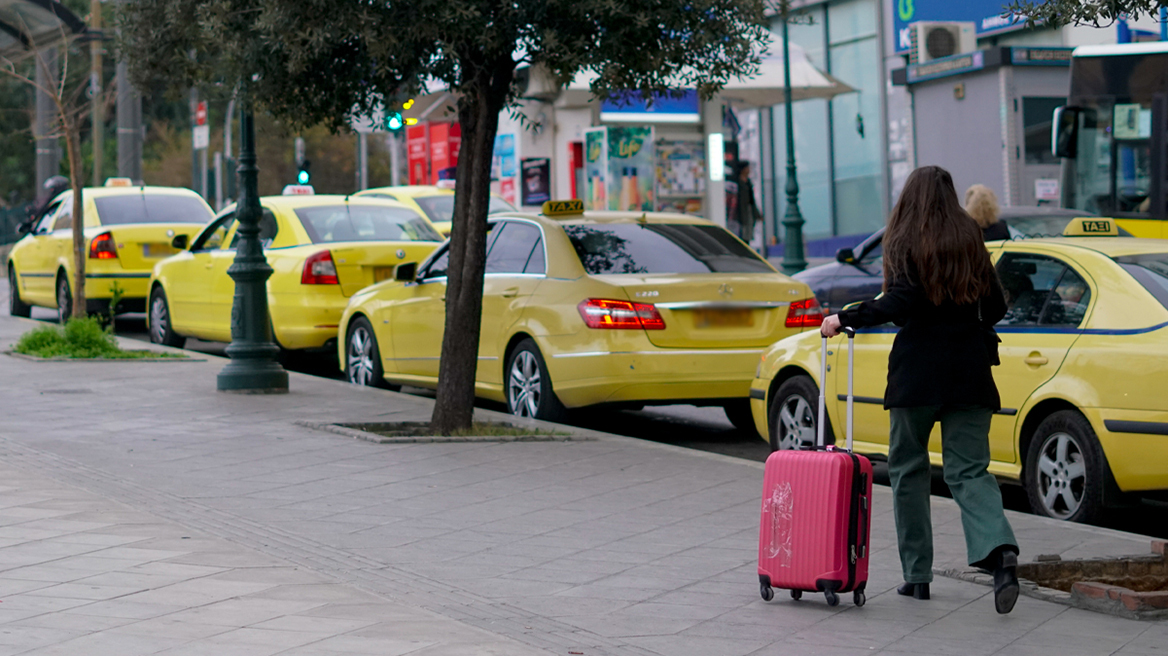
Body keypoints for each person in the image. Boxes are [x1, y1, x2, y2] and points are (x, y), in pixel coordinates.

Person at [820, 165, 1020, 614]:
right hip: (971, 373)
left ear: (909, 197)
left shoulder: (904, 236)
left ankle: (917, 577)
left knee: (908, 469)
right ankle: (1001, 552)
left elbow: (900, 301)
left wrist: (844, 317)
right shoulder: (971, 238)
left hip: (918, 375)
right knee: (969, 471)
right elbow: (996, 307)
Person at [728, 162, 761, 245]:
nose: (749, 170)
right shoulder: (737, 183)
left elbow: (751, 200)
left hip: (747, 211)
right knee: (740, 233)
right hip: (739, 213)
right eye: (747, 168)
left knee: (747, 233)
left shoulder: (748, 182)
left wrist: (756, 214)